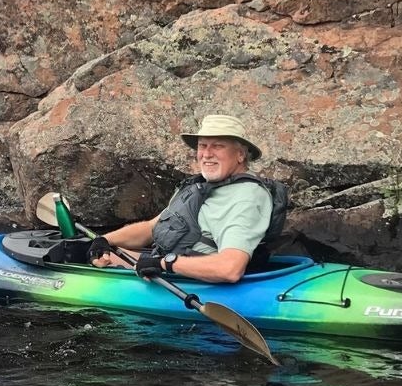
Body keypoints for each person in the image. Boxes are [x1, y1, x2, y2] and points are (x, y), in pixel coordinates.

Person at [87, 114, 274, 283]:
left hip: (194, 282)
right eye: (203, 146)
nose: (207, 154)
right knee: (90, 254)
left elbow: (230, 269)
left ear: (240, 154)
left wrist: (165, 264)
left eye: (218, 146)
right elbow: (152, 227)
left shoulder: (246, 198)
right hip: (168, 268)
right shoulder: (198, 187)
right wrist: (104, 239)